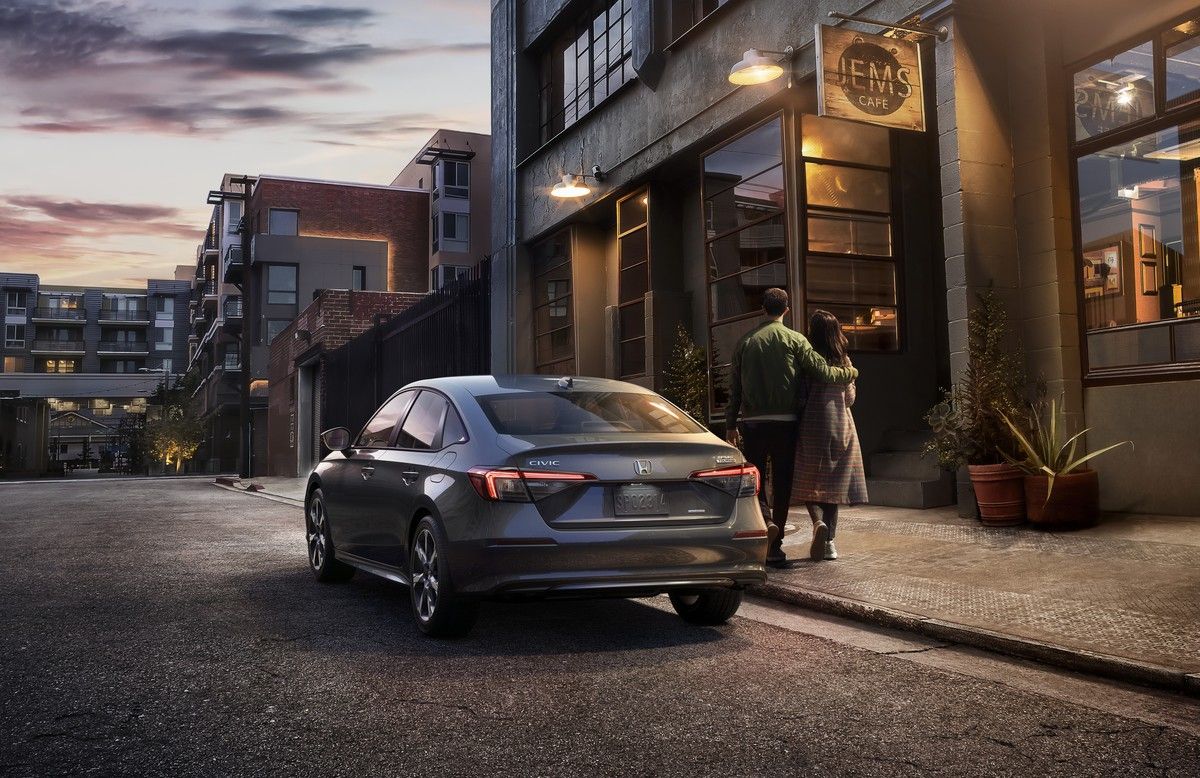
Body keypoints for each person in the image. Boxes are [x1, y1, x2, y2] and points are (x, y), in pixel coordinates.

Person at [724, 289, 858, 568]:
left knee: (756, 480)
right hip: (787, 423)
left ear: (763, 308)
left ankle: (768, 522)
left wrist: (729, 425)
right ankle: (776, 548)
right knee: (782, 483)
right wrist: (851, 372)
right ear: (787, 310)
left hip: (753, 423)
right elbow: (823, 372)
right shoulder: (796, 340)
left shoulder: (745, 342)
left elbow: (734, 390)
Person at [791, 309, 868, 561]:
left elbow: (800, 397)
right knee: (833, 486)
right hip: (841, 426)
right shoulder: (843, 360)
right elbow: (850, 398)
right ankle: (830, 544)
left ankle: (817, 524)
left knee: (808, 483)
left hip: (812, 427)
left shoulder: (807, 359)